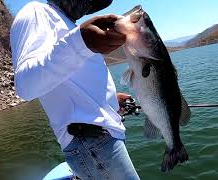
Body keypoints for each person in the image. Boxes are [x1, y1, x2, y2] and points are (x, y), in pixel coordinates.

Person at [10, 0, 140, 179]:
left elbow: (75, 83)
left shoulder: (69, 25)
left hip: (100, 141)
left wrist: (109, 100)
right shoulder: (36, 12)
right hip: (91, 142)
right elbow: (25, 86)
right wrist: (82, 41)